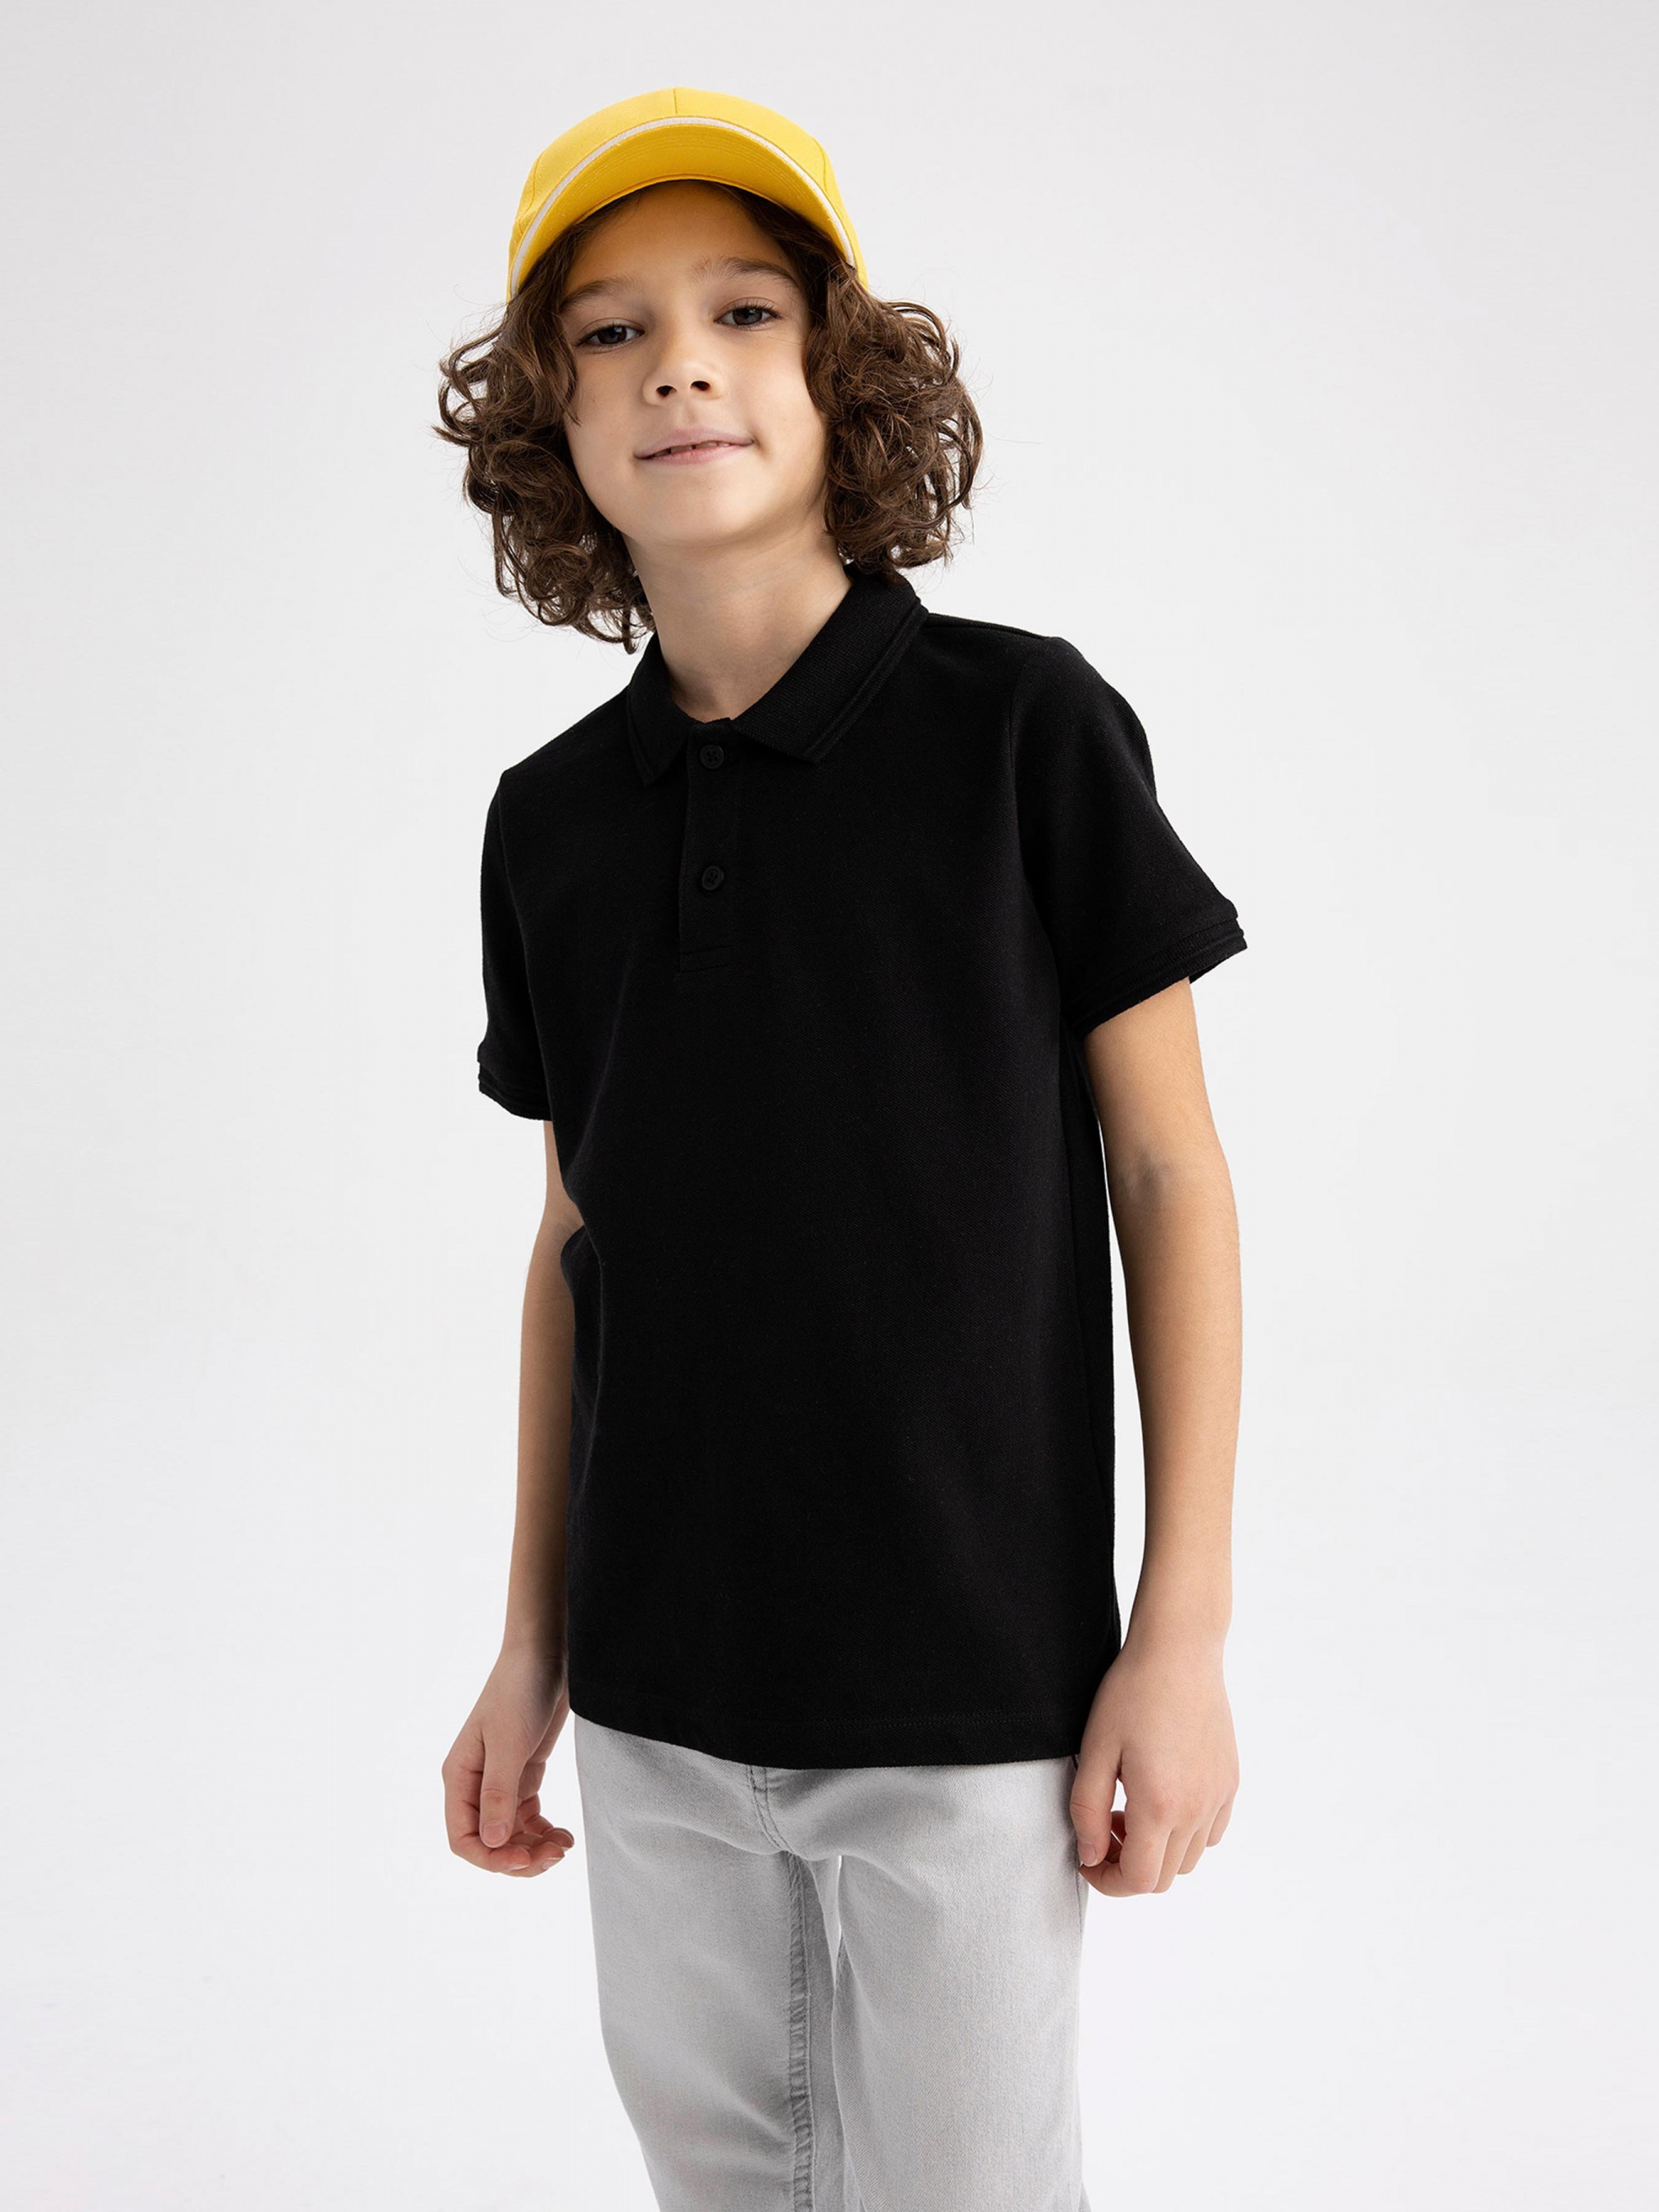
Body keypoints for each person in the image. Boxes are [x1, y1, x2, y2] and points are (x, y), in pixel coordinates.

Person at [434, 85, 1247, 2212]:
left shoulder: (1021, 730)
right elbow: (573, 1237)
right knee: (719, 2181)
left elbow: (1169, 1179)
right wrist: (531, 1644)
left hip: (968, 1692)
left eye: (740, 311)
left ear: (839, 372)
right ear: (549, 418)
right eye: (608, 332)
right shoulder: (551, 820)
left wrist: (1175, 1635)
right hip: (655, 1698)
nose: (675, 366)